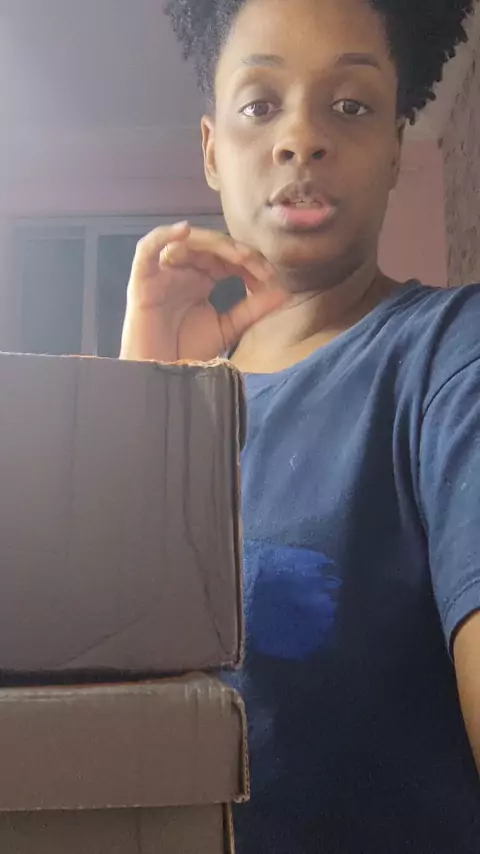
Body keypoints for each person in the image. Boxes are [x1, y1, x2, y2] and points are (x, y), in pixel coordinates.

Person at [121, 0, 480, 850]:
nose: (302, 140)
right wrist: (144, 409)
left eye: (350, 105)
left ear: (395, 148)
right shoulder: (158, 389)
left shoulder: (450, 357)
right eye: (260, 105)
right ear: (212, 149)